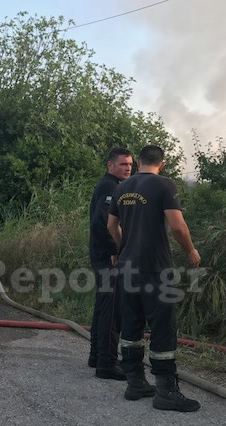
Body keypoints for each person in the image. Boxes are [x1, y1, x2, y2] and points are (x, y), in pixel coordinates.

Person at [108, 145, 201, 412]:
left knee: (131, 325)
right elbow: (177, 225)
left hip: (127, 267)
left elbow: (111, 226)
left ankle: (135, 382)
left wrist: (125, 248)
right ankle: (166, 391)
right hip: (154, 268)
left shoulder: (122, 187)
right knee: (162, 326)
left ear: (138, 162)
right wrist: (190, 251)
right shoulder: (164, 185)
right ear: (162, 163)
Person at [88, 148, 133, 380]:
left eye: (130, 164)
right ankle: (106, 364)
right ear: (110, 165)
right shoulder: (111, 187)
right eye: (123, 164)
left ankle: (96, 356)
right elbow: (103, 221)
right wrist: (115, 250)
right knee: (112, 310)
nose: (128, 168)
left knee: (103, 306)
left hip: (101, 254)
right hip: (108, 257)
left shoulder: (110, 185)